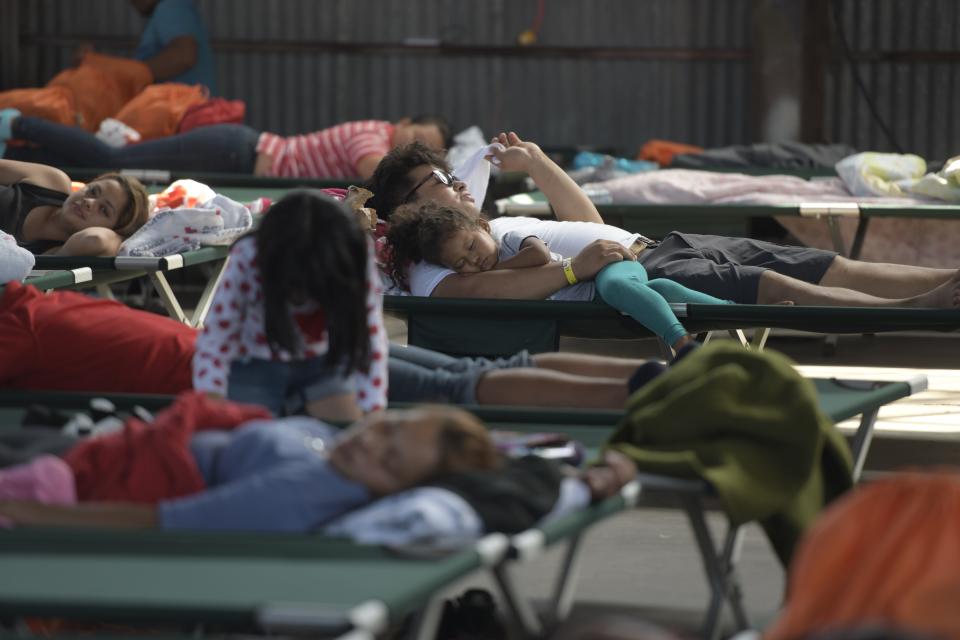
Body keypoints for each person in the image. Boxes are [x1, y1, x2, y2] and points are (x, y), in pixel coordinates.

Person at [366, 133, 960, 309]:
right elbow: (476, 292)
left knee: (829, 265)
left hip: (657, 247)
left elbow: (591, 226)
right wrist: (572, 273)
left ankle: (945, 282)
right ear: (408, 208)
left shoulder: (486, 231)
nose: (456, 184)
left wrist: (543, 165)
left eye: (449, 174)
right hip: (649, 271)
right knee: (779, 289)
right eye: (438, 183)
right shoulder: (429, 264)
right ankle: (915, 312)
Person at [0, 280, 645, 411]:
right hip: (256, 357)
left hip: (255, 377)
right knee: (476, 373)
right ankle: (644, 380)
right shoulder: (38, 303)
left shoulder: (20, 323)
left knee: (463, 385)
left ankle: (634, 392)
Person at [386, 201, 733, 351]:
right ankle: (731, 310)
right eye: (462, 263)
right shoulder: (484, 268)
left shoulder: (506, 239)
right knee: (661, 290)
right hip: (596, 290)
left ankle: (679, 342)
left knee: (617, 287)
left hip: (606, 266)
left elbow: (537, 255)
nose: (475, 261)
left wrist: (496, 271)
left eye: (471, 246)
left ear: (481, 227)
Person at [194, 190, 388, 422]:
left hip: (325, 362)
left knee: (344, 436)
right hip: (254, 361)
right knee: (250, 444)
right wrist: (211, 403)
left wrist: (373, 411)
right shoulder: (250, 256)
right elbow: (216, 340)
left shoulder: (354, 253)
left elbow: (369, 337)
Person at [0, 109, 451, 180]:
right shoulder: (371, 134)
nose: (408, 150)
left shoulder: (379, 136)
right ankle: (17, 121)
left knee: (109, 164)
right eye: (414, 140)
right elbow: (376, 171)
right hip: (234, 149)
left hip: (237, 157)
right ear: (404, 121)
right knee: (115, 161)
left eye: (421, 150)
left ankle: (17, 156)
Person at [0, 158, 149, 255]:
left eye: (104, 210)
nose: (89, 202)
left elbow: (96, 240)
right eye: (93, 191)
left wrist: (123, 235)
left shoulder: (56, 252)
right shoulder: (52, 182)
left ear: (113, 229)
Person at [129, 0, 217, 93]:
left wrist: (132, 73)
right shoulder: (168, 9)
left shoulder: (171, 7)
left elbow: (184, 56)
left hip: (186, 105)